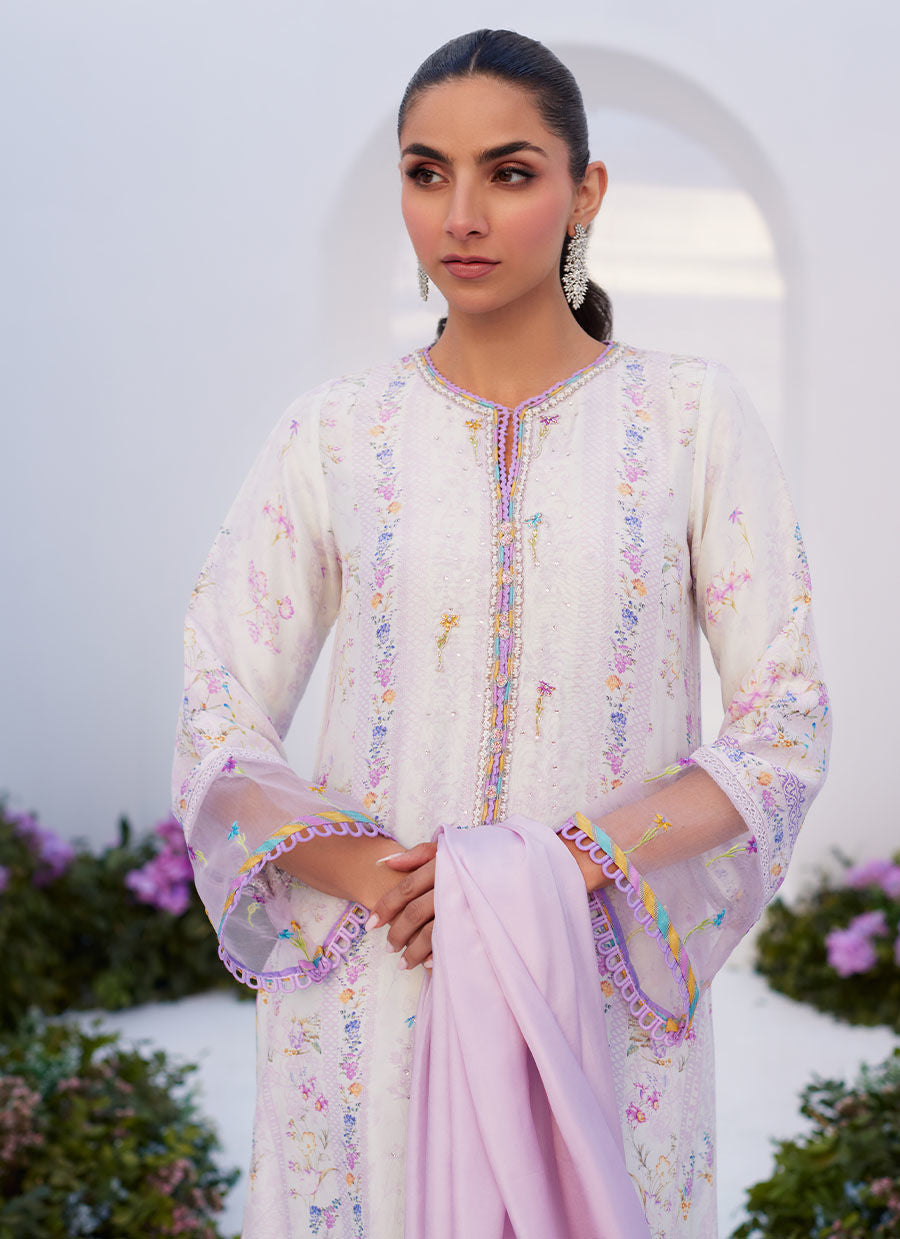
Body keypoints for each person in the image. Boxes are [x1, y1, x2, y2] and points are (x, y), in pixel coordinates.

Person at [172, 28, 830, 1239]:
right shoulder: (336, 433)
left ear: (587, 192)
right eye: (427, 174)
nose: (461, 215)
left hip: (592, 980)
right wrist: (384, 881)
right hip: (374, 983)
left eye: (510, 173)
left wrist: (556, 868)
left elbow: (784, 723)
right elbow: (217, 712)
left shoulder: (690, 421)